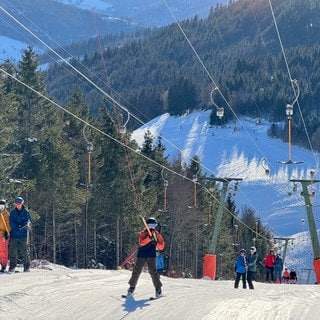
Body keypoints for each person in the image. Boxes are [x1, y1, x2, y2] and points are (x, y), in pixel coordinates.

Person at [127, 217, 165, 298]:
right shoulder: (143, 233)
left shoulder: (157, 235)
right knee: (137, 270)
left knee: (153, 272)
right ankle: (131, 287)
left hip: (151, 255)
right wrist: (148, 239)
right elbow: (141, 242)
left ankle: (158, 289)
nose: (151, 227)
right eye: (150, 225)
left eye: (153, 225)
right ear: (146, 226)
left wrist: (156, 244)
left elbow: (162, 246)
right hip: (142, 253)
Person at [8, 197, 32, 273]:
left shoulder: (26, 212)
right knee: (12, 251)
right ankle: (12, 267)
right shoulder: (12, 213)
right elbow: (11, 222)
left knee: (24, 251)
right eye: (17, 204)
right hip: (14, 234)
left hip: (23, 235)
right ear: (15, 204)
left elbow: (29, 221)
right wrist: (17, 226)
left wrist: (24, 225)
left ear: (22, 203)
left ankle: (27, 267)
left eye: (19, 203)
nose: (18, 205)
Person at [0, 200, 11, 272]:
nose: (1, 208)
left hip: (4, 235)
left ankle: (4, 265)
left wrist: (7, 233)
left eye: (2, 206)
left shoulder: (6, 215)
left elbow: (9, 226)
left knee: (3, 251)